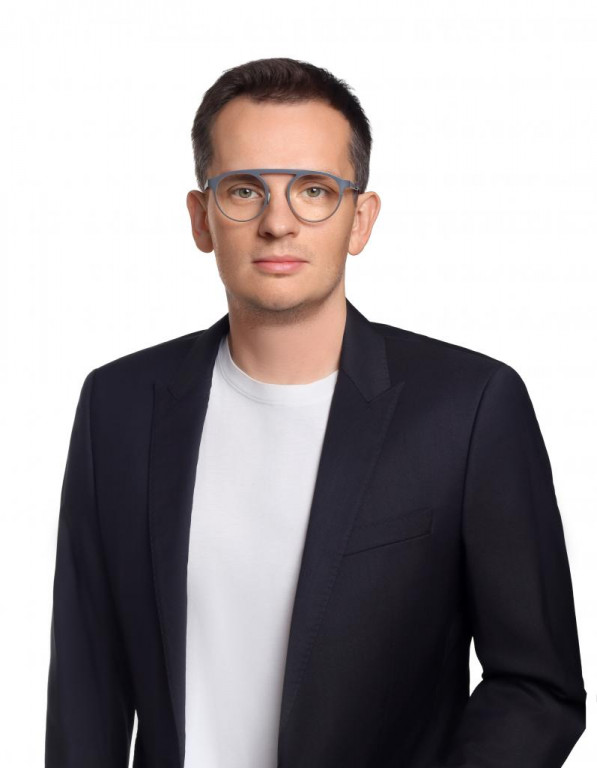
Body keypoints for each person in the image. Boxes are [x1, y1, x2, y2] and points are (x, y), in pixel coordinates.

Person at [45, 57, 586, 768]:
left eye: (313, 191)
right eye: (244, 190)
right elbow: (86, 685)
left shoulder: (469, 408)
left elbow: (537, 686)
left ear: (360, 219)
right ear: (202, 218)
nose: (278, 223)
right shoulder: (117, 407)